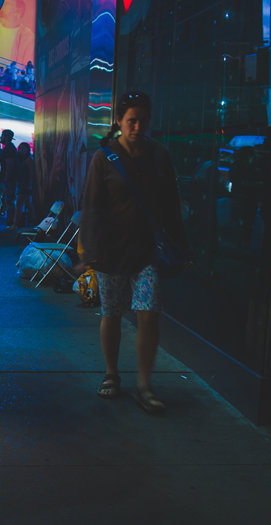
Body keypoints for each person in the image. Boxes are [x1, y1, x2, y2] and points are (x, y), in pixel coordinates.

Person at [78, 91, 194, 413]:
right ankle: (111, 373)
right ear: (119, 121)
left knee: (149, 313)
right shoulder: (104, 158)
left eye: (143, 120)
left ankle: (144, 384)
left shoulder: (159, 155)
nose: (137, 127)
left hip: (147, 251)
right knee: (112, 313)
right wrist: (89, 250)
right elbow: (91, 205)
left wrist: (183, 246)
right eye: (131, 120)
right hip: (111, 250)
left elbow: (171, 205)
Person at [12, 142, 33, 229]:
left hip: (25, 185)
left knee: (19, 205)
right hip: (21, 184)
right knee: (28, 205)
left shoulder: (28, 160)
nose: (21, 150)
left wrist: (29, 185)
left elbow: (31, 174)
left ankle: (15, 224)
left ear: (28, 149)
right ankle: (33, 222)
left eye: (23, 148)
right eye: (20, 148)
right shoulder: (21, 160)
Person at [0, 129, 18, 222]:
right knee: (9, 201)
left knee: (9, 201)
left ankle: (11, 222)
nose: (0, 137)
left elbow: (9, 165)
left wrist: (6, 179)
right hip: (9, 179)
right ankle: (10, 222)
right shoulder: (10, 147)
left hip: (8, 180)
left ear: (6, 137)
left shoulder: (8, 148)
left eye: (2, 136)